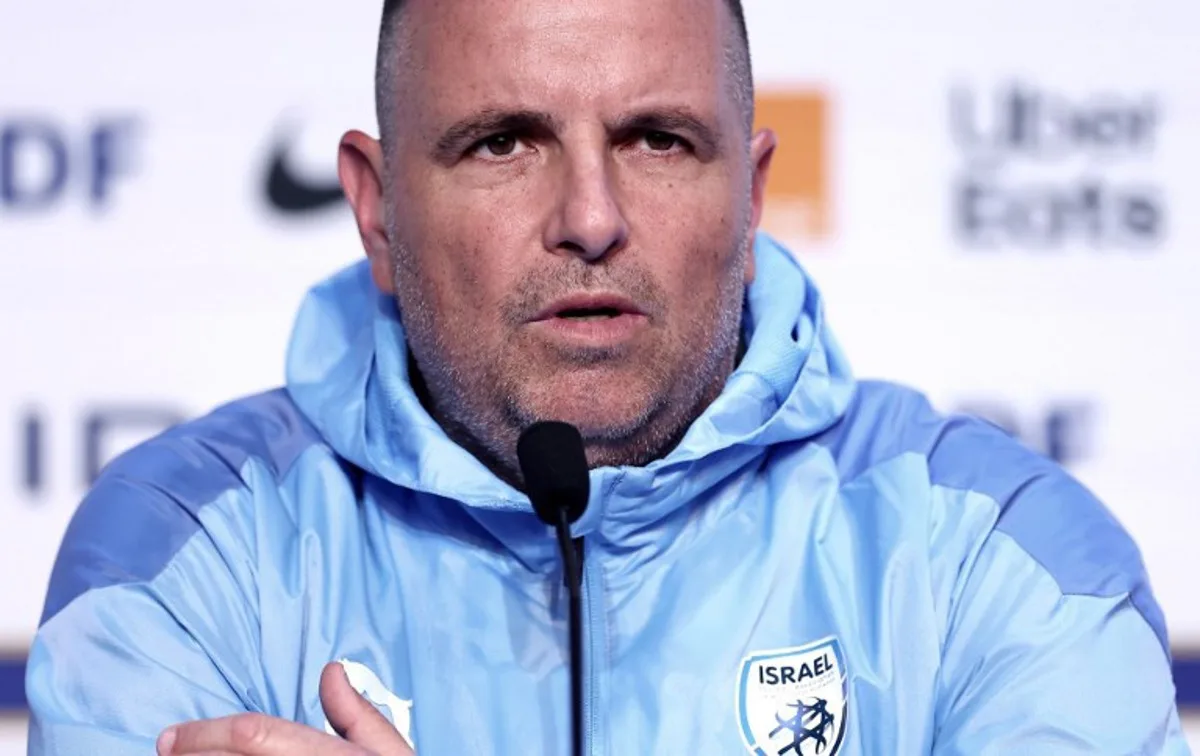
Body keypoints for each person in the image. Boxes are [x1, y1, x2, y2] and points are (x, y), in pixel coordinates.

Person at [25, 0, 1187, 753]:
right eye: (503, 141)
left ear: (751, 193)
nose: (590, 219)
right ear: (377, 209)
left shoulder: (1006, 563)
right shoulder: (182, 557)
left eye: (657, 140)